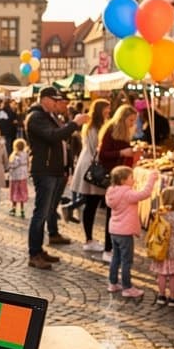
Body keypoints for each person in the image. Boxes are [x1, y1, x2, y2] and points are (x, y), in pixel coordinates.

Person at [24, 86, 89, 270]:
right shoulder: (36, 117)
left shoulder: (48, 116)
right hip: (44, 170)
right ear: (45, 99)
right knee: (40, 214)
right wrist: (74, 123)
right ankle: (34, 254)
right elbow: (53, 136)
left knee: (45, 212)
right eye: (55, 100)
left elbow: (61, 139)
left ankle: (39, 250)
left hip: (52, 170)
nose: (57, 103)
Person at [94, 104, 139, 262]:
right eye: (131, 120)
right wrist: (122, 152)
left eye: (134, 120)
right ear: (123, 118)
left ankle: (115, 248)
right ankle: (108, 249)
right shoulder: (111, 129)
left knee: (119, 213)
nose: (133, 123)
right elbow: (103, 155)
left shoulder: (125, 131)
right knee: (112, 214)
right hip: (113, 176)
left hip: (122, 175)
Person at [105, 166, 158, 299]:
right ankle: (127, 287)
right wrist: (152, 178)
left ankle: (113, 283)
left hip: (114, 231)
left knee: (116, 258)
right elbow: (145, 193)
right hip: (125, 232)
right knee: (126, 261)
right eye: (131, 177)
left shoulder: (111, 191)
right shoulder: (127, 194)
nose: (134, 180)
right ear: (123, 180)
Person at [67, 99, 111, 253]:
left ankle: (89, 239)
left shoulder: (95, 125)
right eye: (106, 108)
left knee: (91, 204)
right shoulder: (93, 126)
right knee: (91, 204)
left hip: (89, 164)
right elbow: (95, 149)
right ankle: (89, 240)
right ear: (100, 110)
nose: (108, 111)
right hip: (92, 167)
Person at [7, 137, 29, 218]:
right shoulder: (26, 154)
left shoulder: (15, 154)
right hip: (23, 176)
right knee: (22, 192)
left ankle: (13, 208)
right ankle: (22, 209)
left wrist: (9, 167)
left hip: (15, 176)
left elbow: (14, 164)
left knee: (15, 192)